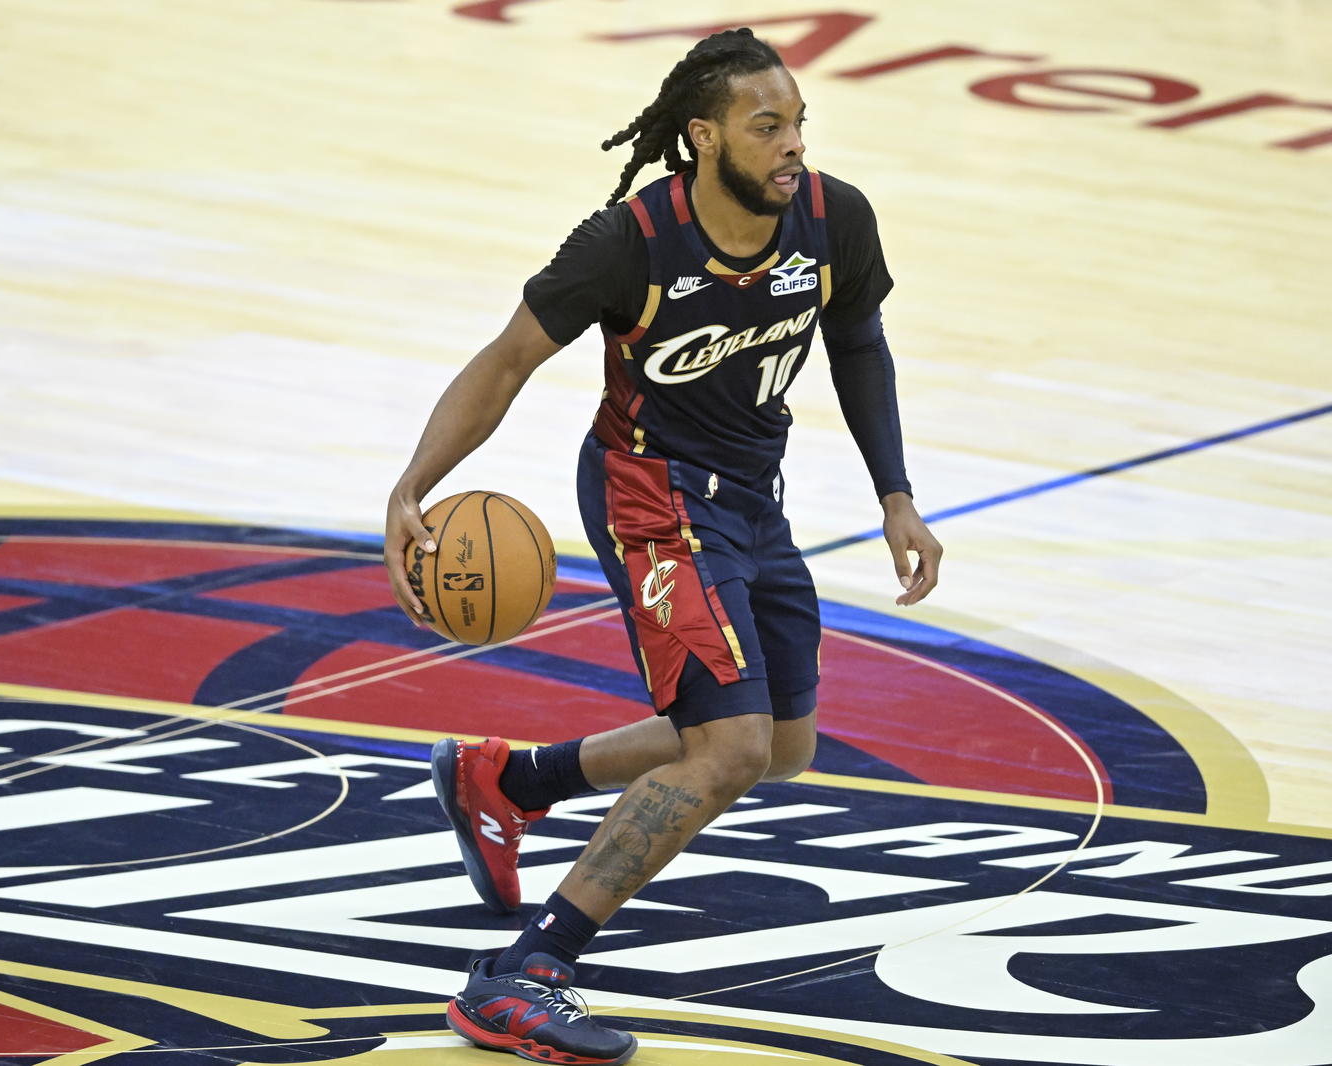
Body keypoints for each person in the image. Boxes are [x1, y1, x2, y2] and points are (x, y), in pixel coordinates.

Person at [382, 27, 941, 1065]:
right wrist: (413, 485)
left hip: (752, 500)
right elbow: (506, 360)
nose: (793, 144)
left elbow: (858, 341)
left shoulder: (833, 218)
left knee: (782, 745)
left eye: (798, 122)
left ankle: (512, 782)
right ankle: (521, 974)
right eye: (766, 126)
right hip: (650, 495)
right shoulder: (630, 241)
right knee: (726, 747)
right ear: (703, 136)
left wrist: (895, 494)